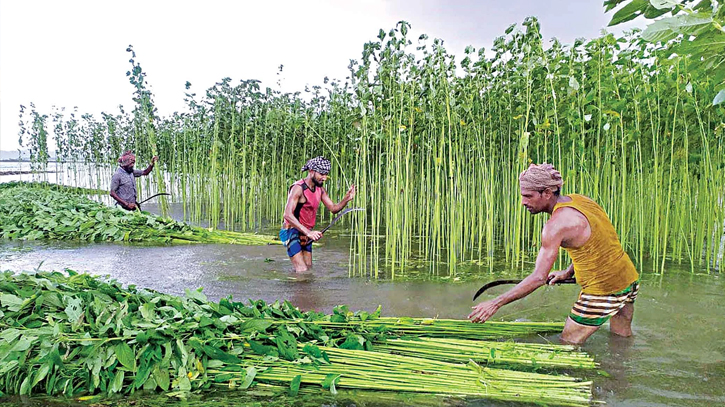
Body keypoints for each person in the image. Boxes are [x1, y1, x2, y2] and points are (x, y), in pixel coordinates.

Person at [468, 163, 640, 344]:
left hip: (603, 290)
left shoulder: (555, 226)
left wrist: (494, 304)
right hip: (628, 279)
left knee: (567, 344)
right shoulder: (582, 201)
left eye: (528, 196)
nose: (523, 202)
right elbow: (599, 243)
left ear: (547, 193)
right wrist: (568, 272)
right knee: (620, 343)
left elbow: (538, 278)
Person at [280, 156, 355, 272]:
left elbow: (333, 208)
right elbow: (287, 215)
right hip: (291, 231)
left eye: (326, 174)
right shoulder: (298, 188)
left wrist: (346, 199)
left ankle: (301, 289)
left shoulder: (320, 190)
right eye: (321, 174)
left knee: (309, 269)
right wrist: (309, 232)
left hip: (306, 233)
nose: (324, 178)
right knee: (302, 270)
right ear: (311, 171)